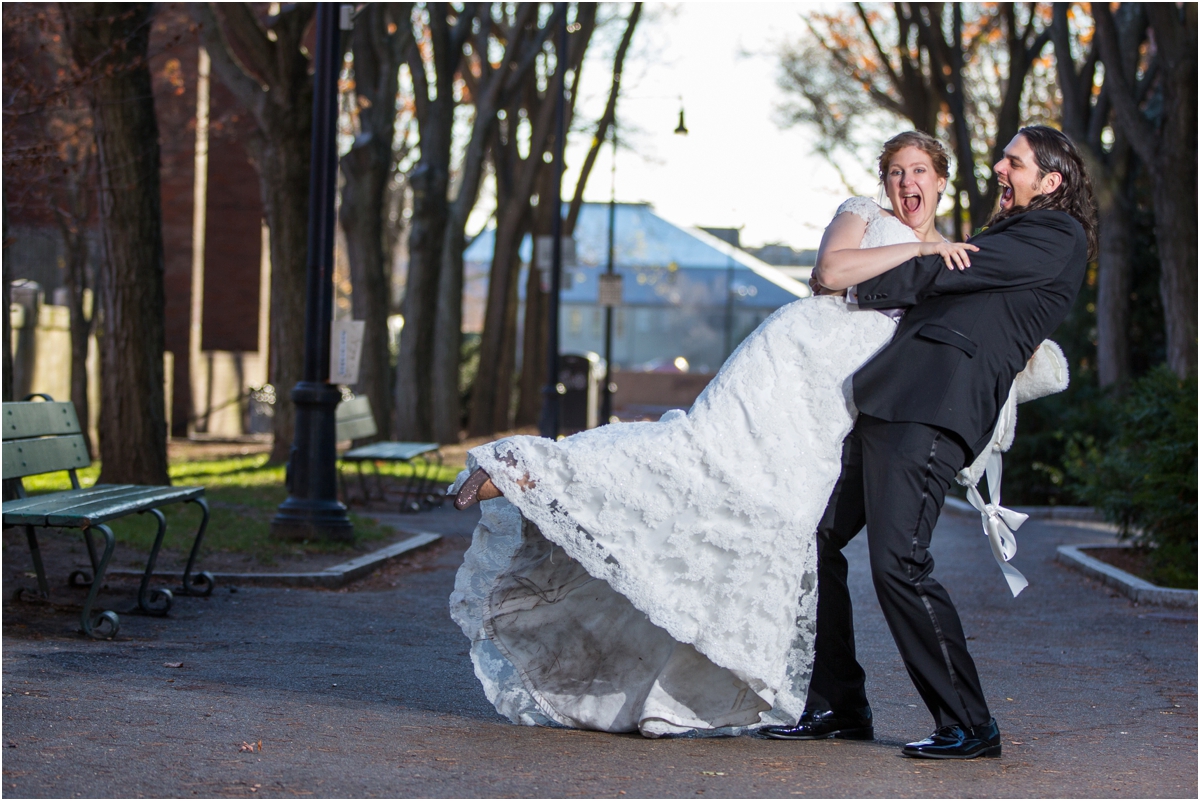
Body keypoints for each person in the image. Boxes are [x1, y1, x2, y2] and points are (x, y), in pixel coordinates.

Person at [447, 131, 1051, 739]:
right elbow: (830, 273)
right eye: (894, 172)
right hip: (796, 369)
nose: (905, 183)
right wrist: (921, 260)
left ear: (940, 180)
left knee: (796, 535)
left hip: (850, 409)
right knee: (701, 455)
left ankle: (834, 704)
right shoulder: (866, 217)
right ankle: (535, 470)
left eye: (918, 171)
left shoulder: (956, 251)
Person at [758, 125, 1097, 759]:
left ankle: (969, 723)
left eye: (1014, 162)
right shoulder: (1004, 233)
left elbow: (944, 276)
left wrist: (859, 287)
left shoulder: (1056, 235)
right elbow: (948, 269)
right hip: (895, 399)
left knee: (899, 562)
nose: (999, 167)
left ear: (1050, 182)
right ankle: (837, 702)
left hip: (934, 409)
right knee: (818, 533)